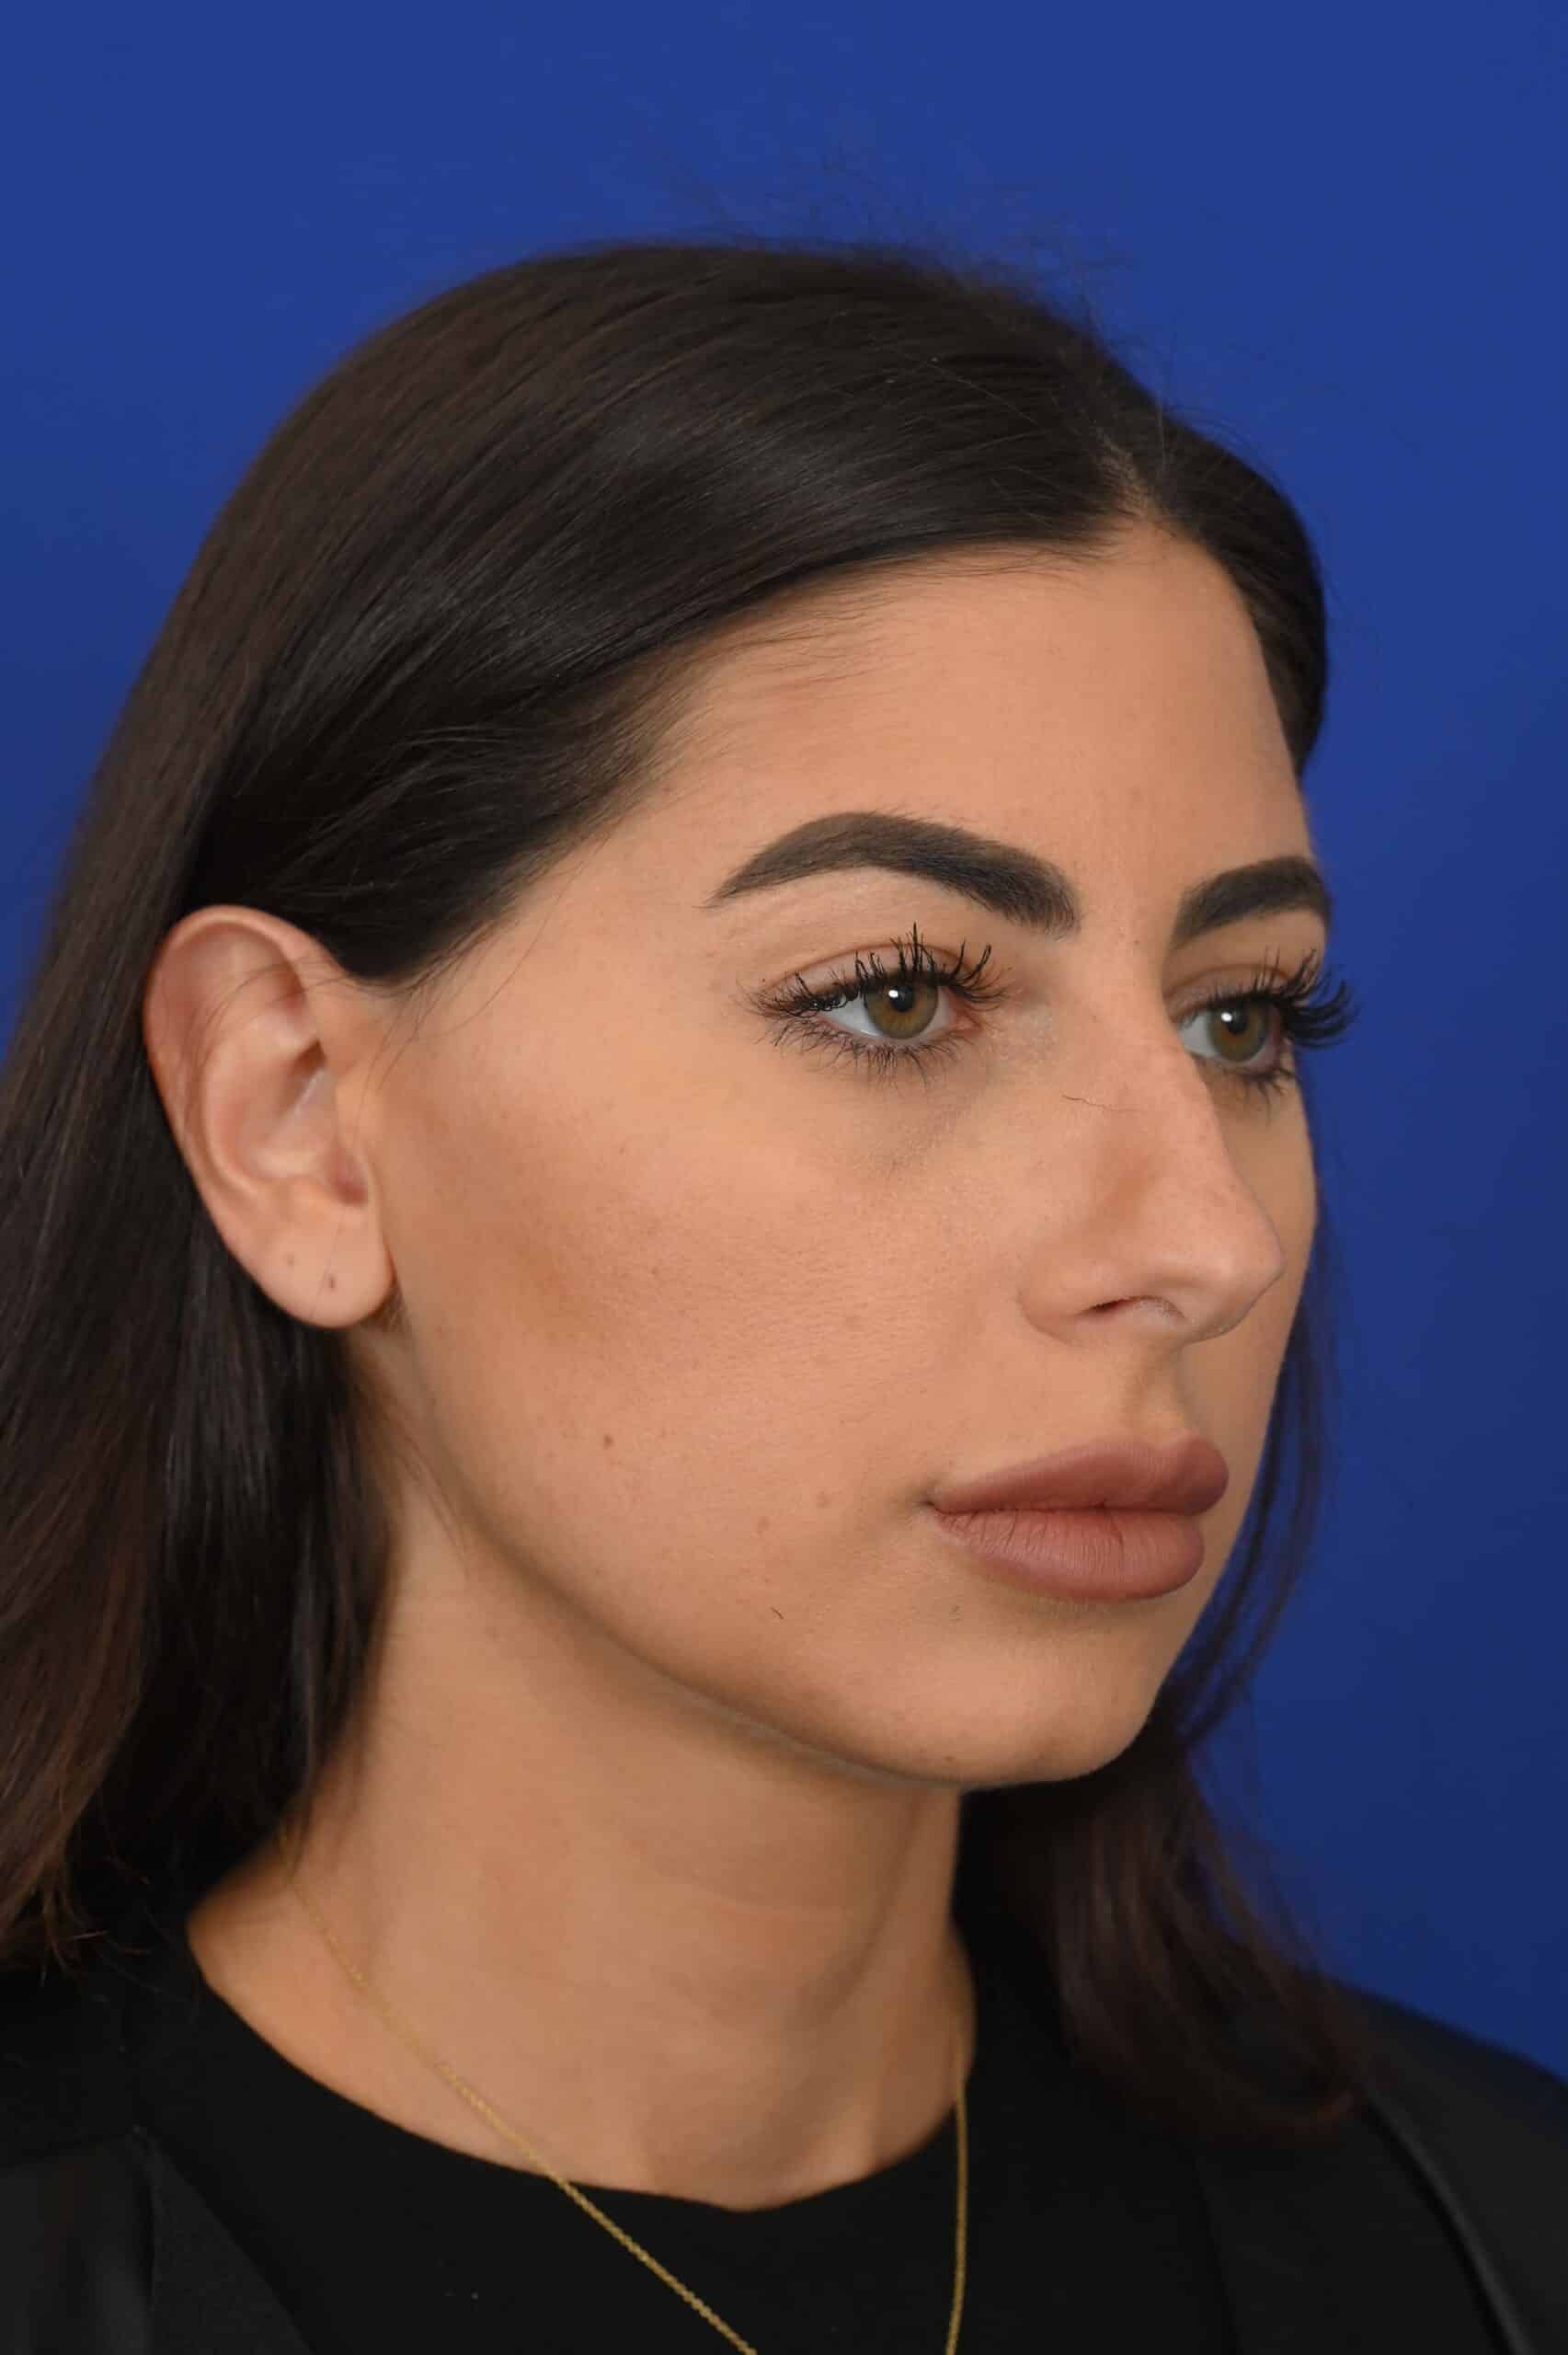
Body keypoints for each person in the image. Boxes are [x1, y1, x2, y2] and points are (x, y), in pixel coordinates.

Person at [0, 236, 1562, 2355]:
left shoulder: (1491, 2251)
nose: (1205, 1239)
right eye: (894, 995)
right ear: (299, 1122)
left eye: (1241, 1016)